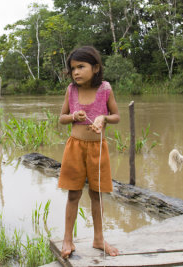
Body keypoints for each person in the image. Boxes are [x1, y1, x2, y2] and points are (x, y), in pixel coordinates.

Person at [58, 46, 120, 259]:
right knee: (73, 193)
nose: (75, 72)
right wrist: (74, 115)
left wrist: (103, 118)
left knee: (97, 194)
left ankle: (99, 238)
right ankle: (67, 238)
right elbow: (62, 117)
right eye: (73, 68)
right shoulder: (71, 90)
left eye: (81, 67)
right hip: (75, 147)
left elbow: (117, 116)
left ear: (95, 68)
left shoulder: (105, 89)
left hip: (97, 148)